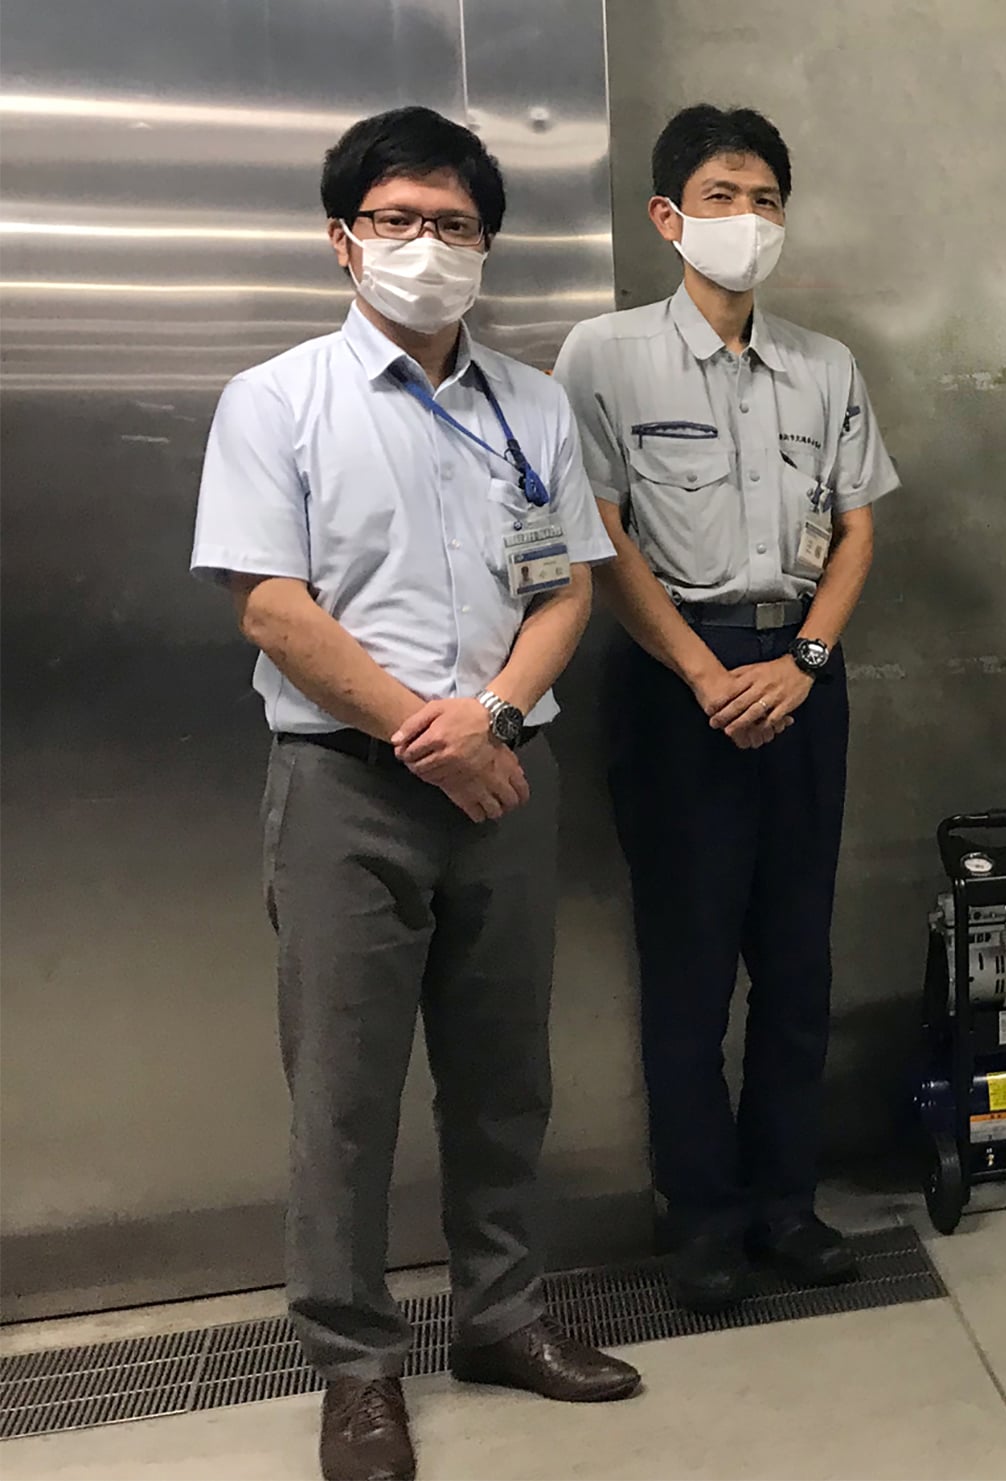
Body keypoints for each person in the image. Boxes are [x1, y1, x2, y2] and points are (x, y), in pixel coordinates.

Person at [190, 106, 639, 1481]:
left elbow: (567, 587)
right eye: (395, 220)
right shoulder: (278, 401)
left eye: (452, 225)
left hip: (508, 772)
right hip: (345, 788)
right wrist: (421, 728)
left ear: (486, 245)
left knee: (505, 1077)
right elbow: (272, 607)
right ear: (342, 240)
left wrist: (491, 715)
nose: (424, 248)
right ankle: (356, 1364)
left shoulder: (532, 403)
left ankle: (503, 1317)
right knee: (343, 1089)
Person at [555, 105, 898, 1311]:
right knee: (690, 972)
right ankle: (697, 1214)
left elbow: (856, 525)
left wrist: (802, 659)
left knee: (796, 962)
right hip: (673, 686)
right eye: (718, 198)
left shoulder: (825, 365)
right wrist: (704, 676)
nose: (743, 221)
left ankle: (783, 1202)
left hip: (800, 674)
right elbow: (594, 538)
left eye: (762, 200)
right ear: (667, 217)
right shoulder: (602, 358)